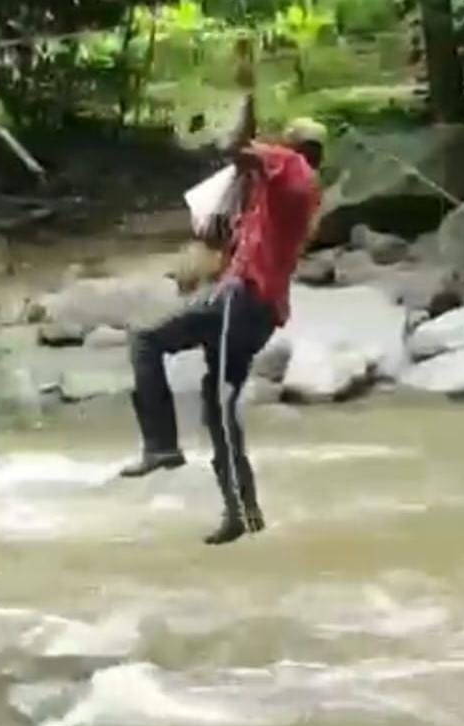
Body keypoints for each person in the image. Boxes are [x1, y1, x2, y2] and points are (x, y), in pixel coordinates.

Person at [120, 111, 326, 546]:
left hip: (242, 300)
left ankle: (160, 446)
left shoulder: (291, 167)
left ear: (294, 146)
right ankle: (243, 513)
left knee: (145, 340)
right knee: (220, 408)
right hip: (260, 311)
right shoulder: (288, 194)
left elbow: (236, 149)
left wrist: (243, 111)